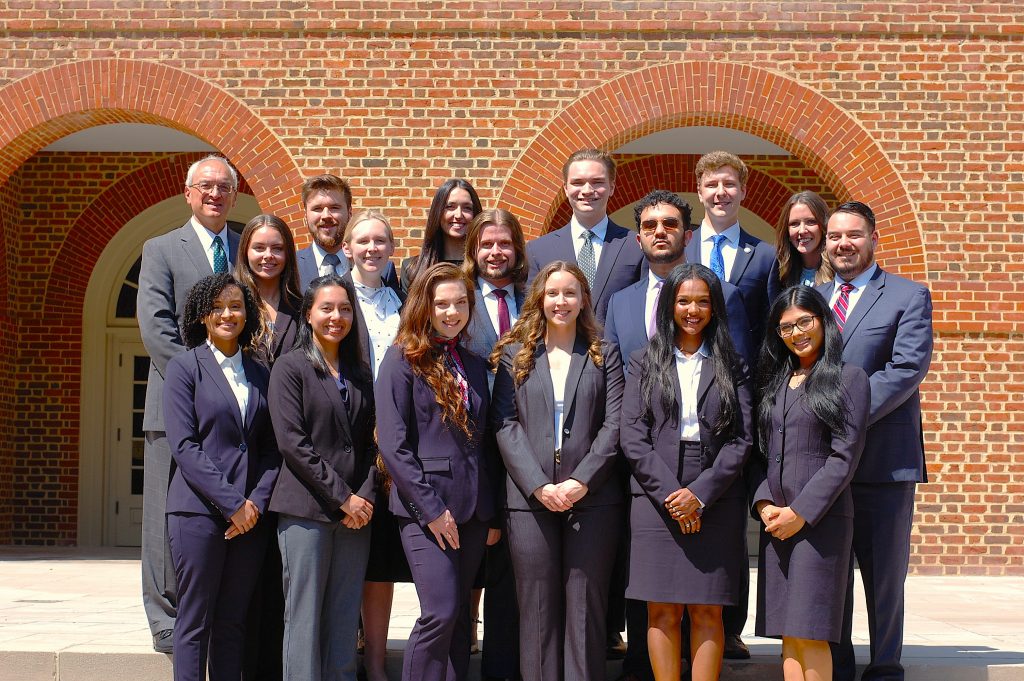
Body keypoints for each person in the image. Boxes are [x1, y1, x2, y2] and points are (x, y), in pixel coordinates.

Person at [606, 191, 753, 681]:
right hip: (656, 493)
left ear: (715, 308)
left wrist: (701, 495)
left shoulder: (733, 365)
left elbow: (741, 439)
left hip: (716, 494)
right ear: (670, 305)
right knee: (661, 611)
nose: (692, 310)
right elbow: (633, 433)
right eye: (684, 301)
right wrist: (672, 494)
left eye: (702, 302)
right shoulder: (644, 362)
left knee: (707, 610)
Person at [491, 260, 625, 681]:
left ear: (584, 298)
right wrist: (538, 485)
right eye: (553, 293)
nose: (561, 301)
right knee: (537, 610)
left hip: (593, 501)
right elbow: (505, 424)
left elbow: (615, 423)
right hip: (528, 502)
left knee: (585, 608)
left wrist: (580, 480)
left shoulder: (605, 353)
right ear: (539, 299)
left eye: (570, 292)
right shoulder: (516, 353)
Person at [819, 202, 933, 681]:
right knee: (833, 575)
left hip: (884, 463)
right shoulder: (814, 297)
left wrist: (845, 415)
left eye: (854, 235)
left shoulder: (908, 296)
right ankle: (839, 666)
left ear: (873, 238)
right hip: (824, 466)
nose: (843, 244)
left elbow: (906, 369)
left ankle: (885, 666)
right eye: (835, 236)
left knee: (885, 577)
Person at [137, 154, 242, 652]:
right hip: (172, 407)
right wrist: (203, 383)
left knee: (223, 507)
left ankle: (217, 614)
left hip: (235, 414)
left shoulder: (244, 248)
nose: (214, 194)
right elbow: (157, 329)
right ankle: (165, 619)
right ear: (188, 193)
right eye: (205, 186)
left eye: (223, 187)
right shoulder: (160, 248)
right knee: (165, 515)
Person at [375, 262, 499, 681]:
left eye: (460, 303)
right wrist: (431, 510)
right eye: (442, 304)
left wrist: (492, 512)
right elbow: (393, 445)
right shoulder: (400, 361)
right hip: (425, 508)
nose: (452, 312)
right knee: (440, 611)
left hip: (475, 510)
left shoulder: (474, 363)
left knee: (461, 615)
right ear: (424, 307)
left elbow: (484, 444)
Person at [162, 273, 280, 681]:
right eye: (218, 308)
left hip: (250, 518)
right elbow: (185, 446)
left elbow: (270, 449)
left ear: (247, 312)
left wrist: (254, 505)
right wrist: (232, 504)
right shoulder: (184, 368)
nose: (228, 314)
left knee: (233, 621)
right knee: (195, 619)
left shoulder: (261, 371)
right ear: (202, 316)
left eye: (236, 306)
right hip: (197, 514)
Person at [684, 151, 778, 658]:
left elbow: (769, 332)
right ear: (698, 191)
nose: (720, 193)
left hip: (738, 399)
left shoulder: (762, 257)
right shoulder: (679, 246)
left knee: (734, 508)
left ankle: (731, 625)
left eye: (729, 185)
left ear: (742, 191)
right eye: (711, 185)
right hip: (683, 388)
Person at [752, 286, 870, 681]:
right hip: (777, 525)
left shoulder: (848, 378)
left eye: (805, 321)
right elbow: (763, 453)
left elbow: (844, 458)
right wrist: (764, 504)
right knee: (789, 631)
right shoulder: (777, 382)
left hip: (820, 523)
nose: (797, 333)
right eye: (786, 327)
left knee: (812, 630)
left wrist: (800, 513)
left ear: (823, 320)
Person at [267, 274, 377, 681]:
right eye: (327, 308)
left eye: (345, 308)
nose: (337, 316)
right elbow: (293, 444)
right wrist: (342, 498)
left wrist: (363, 498)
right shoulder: (290, 368)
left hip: (356, 517)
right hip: (307, 513)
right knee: (305, 617)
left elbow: (371, 444)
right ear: (308, 314)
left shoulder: (361, 372)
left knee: (345, 617)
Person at [461, 208, 528, 681]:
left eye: (504, 244)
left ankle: (503, 668)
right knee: (461, 565)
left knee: (509, 564)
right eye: (486, 245)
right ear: (473, 250)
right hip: (468, 448)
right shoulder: (456, 299)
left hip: (523, 446)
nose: (495, 252)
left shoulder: (535, 298)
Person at [340, 210, 408, 681]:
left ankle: (379, 665)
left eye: (380, 241)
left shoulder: (401, 302)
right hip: (342, 440)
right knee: (344, 558)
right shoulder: (330, 296)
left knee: (379, 559)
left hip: (393, 442)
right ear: (346, 248)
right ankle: (340, 658)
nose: (371, 249)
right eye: (362, 241)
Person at [235, 213, 301, 680]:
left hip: (295, 453)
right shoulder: (232, 305)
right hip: (248, 444)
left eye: (276, 248)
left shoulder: (302, 307)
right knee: (248, 579)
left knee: (284, 578)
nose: (268, 256)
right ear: (246, 253)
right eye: (259, 247)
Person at [526, 149, 644, 324]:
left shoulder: (635, 246)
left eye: (597, 182)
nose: (587, 190)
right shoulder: (538, 251)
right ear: (566, 188)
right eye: (578, 182)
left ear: (611, 187)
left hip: (616, 350)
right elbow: (532, 315)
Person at [400, 179, 482, 293]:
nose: (458, 215)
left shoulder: (485, 268)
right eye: (450, 206)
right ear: (438, 212)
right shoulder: (412, 269)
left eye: (467, 208)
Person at [296, 174, 354, 287]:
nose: (326, 215)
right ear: (305, 216)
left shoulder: (378, 268)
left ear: (350, 213)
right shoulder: (289, 268)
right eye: (317, 209)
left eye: (335, 208)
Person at [774, 191, 834, 288]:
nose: (802, 231)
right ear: (786, 231)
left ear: (824, 227)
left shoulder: (840, 274)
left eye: (811, 222)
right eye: (794, 224)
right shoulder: (778, 276)